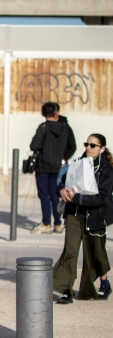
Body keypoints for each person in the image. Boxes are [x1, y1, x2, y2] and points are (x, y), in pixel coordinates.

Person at [53, 134, 113, 303]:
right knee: (70, 250)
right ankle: (66, 290)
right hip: (74, 214)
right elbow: (62, 182)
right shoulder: (78, 163)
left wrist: (78, 198)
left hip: (95, 216)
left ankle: (104, 283)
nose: (88, 147)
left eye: (93, 145)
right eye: (86, 144)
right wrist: (61, 191)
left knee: (97, 252)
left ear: (102, 149)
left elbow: (102, 197)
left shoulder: (106, 170)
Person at [29, 102, 74, 234]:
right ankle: (58, 223)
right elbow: (73, 146)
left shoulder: (43, 128)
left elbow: (33, 145)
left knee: (44, 195)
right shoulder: (65, 127)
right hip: (57, 167)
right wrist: (63, 159)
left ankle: (46, 223)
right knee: (55, 195)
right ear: (56, 113)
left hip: (42, 167)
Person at [54, 103, 77, 187]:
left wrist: (64, 159)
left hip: (61, 165)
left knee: (59, 188)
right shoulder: (45, 127)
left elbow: (72, 146)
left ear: (57, 112)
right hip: (47, 166)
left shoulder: (65, 127)